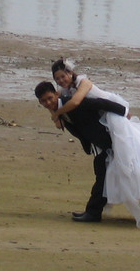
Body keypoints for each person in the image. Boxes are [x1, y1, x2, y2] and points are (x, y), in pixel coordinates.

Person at [50, 59, 140, 231]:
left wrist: (57, 113)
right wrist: (56, 113)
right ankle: (96, 209)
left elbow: (76, 103)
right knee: (110, 165)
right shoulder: (63, 92)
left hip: (112, 114)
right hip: (102, 120)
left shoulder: (83, 82)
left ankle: (96, 210)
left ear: (70, 73)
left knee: (125, 160)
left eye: (63, 76)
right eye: (57, 79)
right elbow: (60, 111)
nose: (61, 81)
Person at [34, 80, 126, 223]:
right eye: (43, 101)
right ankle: (93, 211)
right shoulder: (59, 110)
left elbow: (99, 103)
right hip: (96, 144)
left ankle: (93, 213)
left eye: (50, 98)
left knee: (102, 176)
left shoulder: (72, 103)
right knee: (103, 176)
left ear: (56, 94)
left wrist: (124, 111)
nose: (48, 103)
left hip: (105, 141)